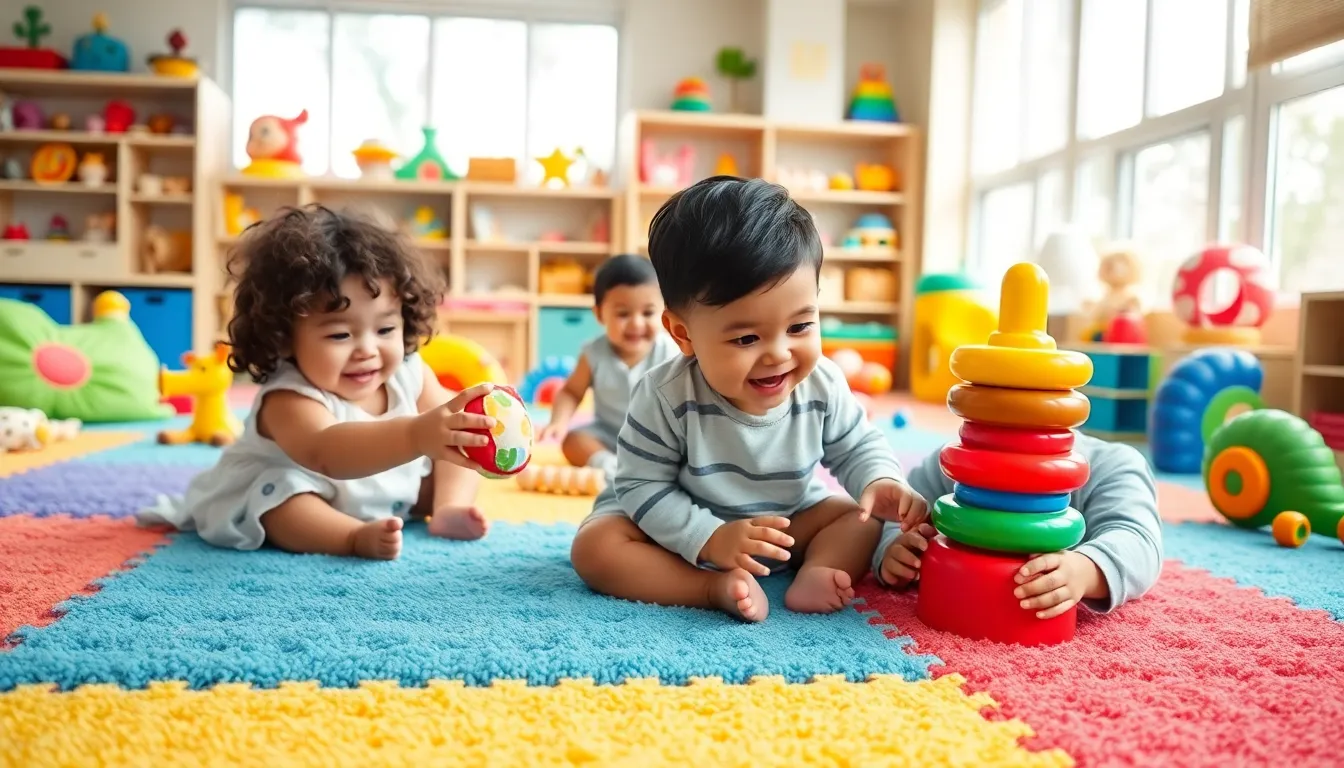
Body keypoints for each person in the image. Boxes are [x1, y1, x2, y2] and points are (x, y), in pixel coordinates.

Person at [570, 176, 928, 623]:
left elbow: (856, 445)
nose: (779, 354)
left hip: (782, 526)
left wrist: (878, 480)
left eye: (800, 327)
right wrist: (711, 538)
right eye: (746, 337)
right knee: (595, 547)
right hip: (675, 530)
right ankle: (708, 588)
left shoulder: (823, 383)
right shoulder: (665, 394)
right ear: (683, 334)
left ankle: (820, 570)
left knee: (857, 515)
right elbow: (642, 486)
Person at [138, 205, 497, 560]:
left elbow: (442, 418)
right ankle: (351, 537)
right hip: (308, 489)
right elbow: (327, 453)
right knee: (283, 500)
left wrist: (465, 425)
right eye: (340, 335)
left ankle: (450, 508)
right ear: (283, 337)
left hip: (384, 489)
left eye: (385, 329)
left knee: (456, 445)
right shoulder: (289, 398)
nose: (368, 350)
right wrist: (417, 435)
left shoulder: (410, 371)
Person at [873, 433, 1163, 618]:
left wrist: (1085, 571)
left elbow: (1138, 540)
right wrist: (892, 550)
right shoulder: (959, 464)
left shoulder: (1115, 466)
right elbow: (896, 511)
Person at [538, 254, 679, 477]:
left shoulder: (671, 352)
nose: (636, 323)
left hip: (660, 440)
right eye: (623, 314)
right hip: (609, 437)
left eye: (648, 313)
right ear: (599, 315)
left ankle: (657, 470)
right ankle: (609, 466)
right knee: (573, 441)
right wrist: (558, 422)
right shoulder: (593, 353)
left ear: (664, 312)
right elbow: (571, 392)